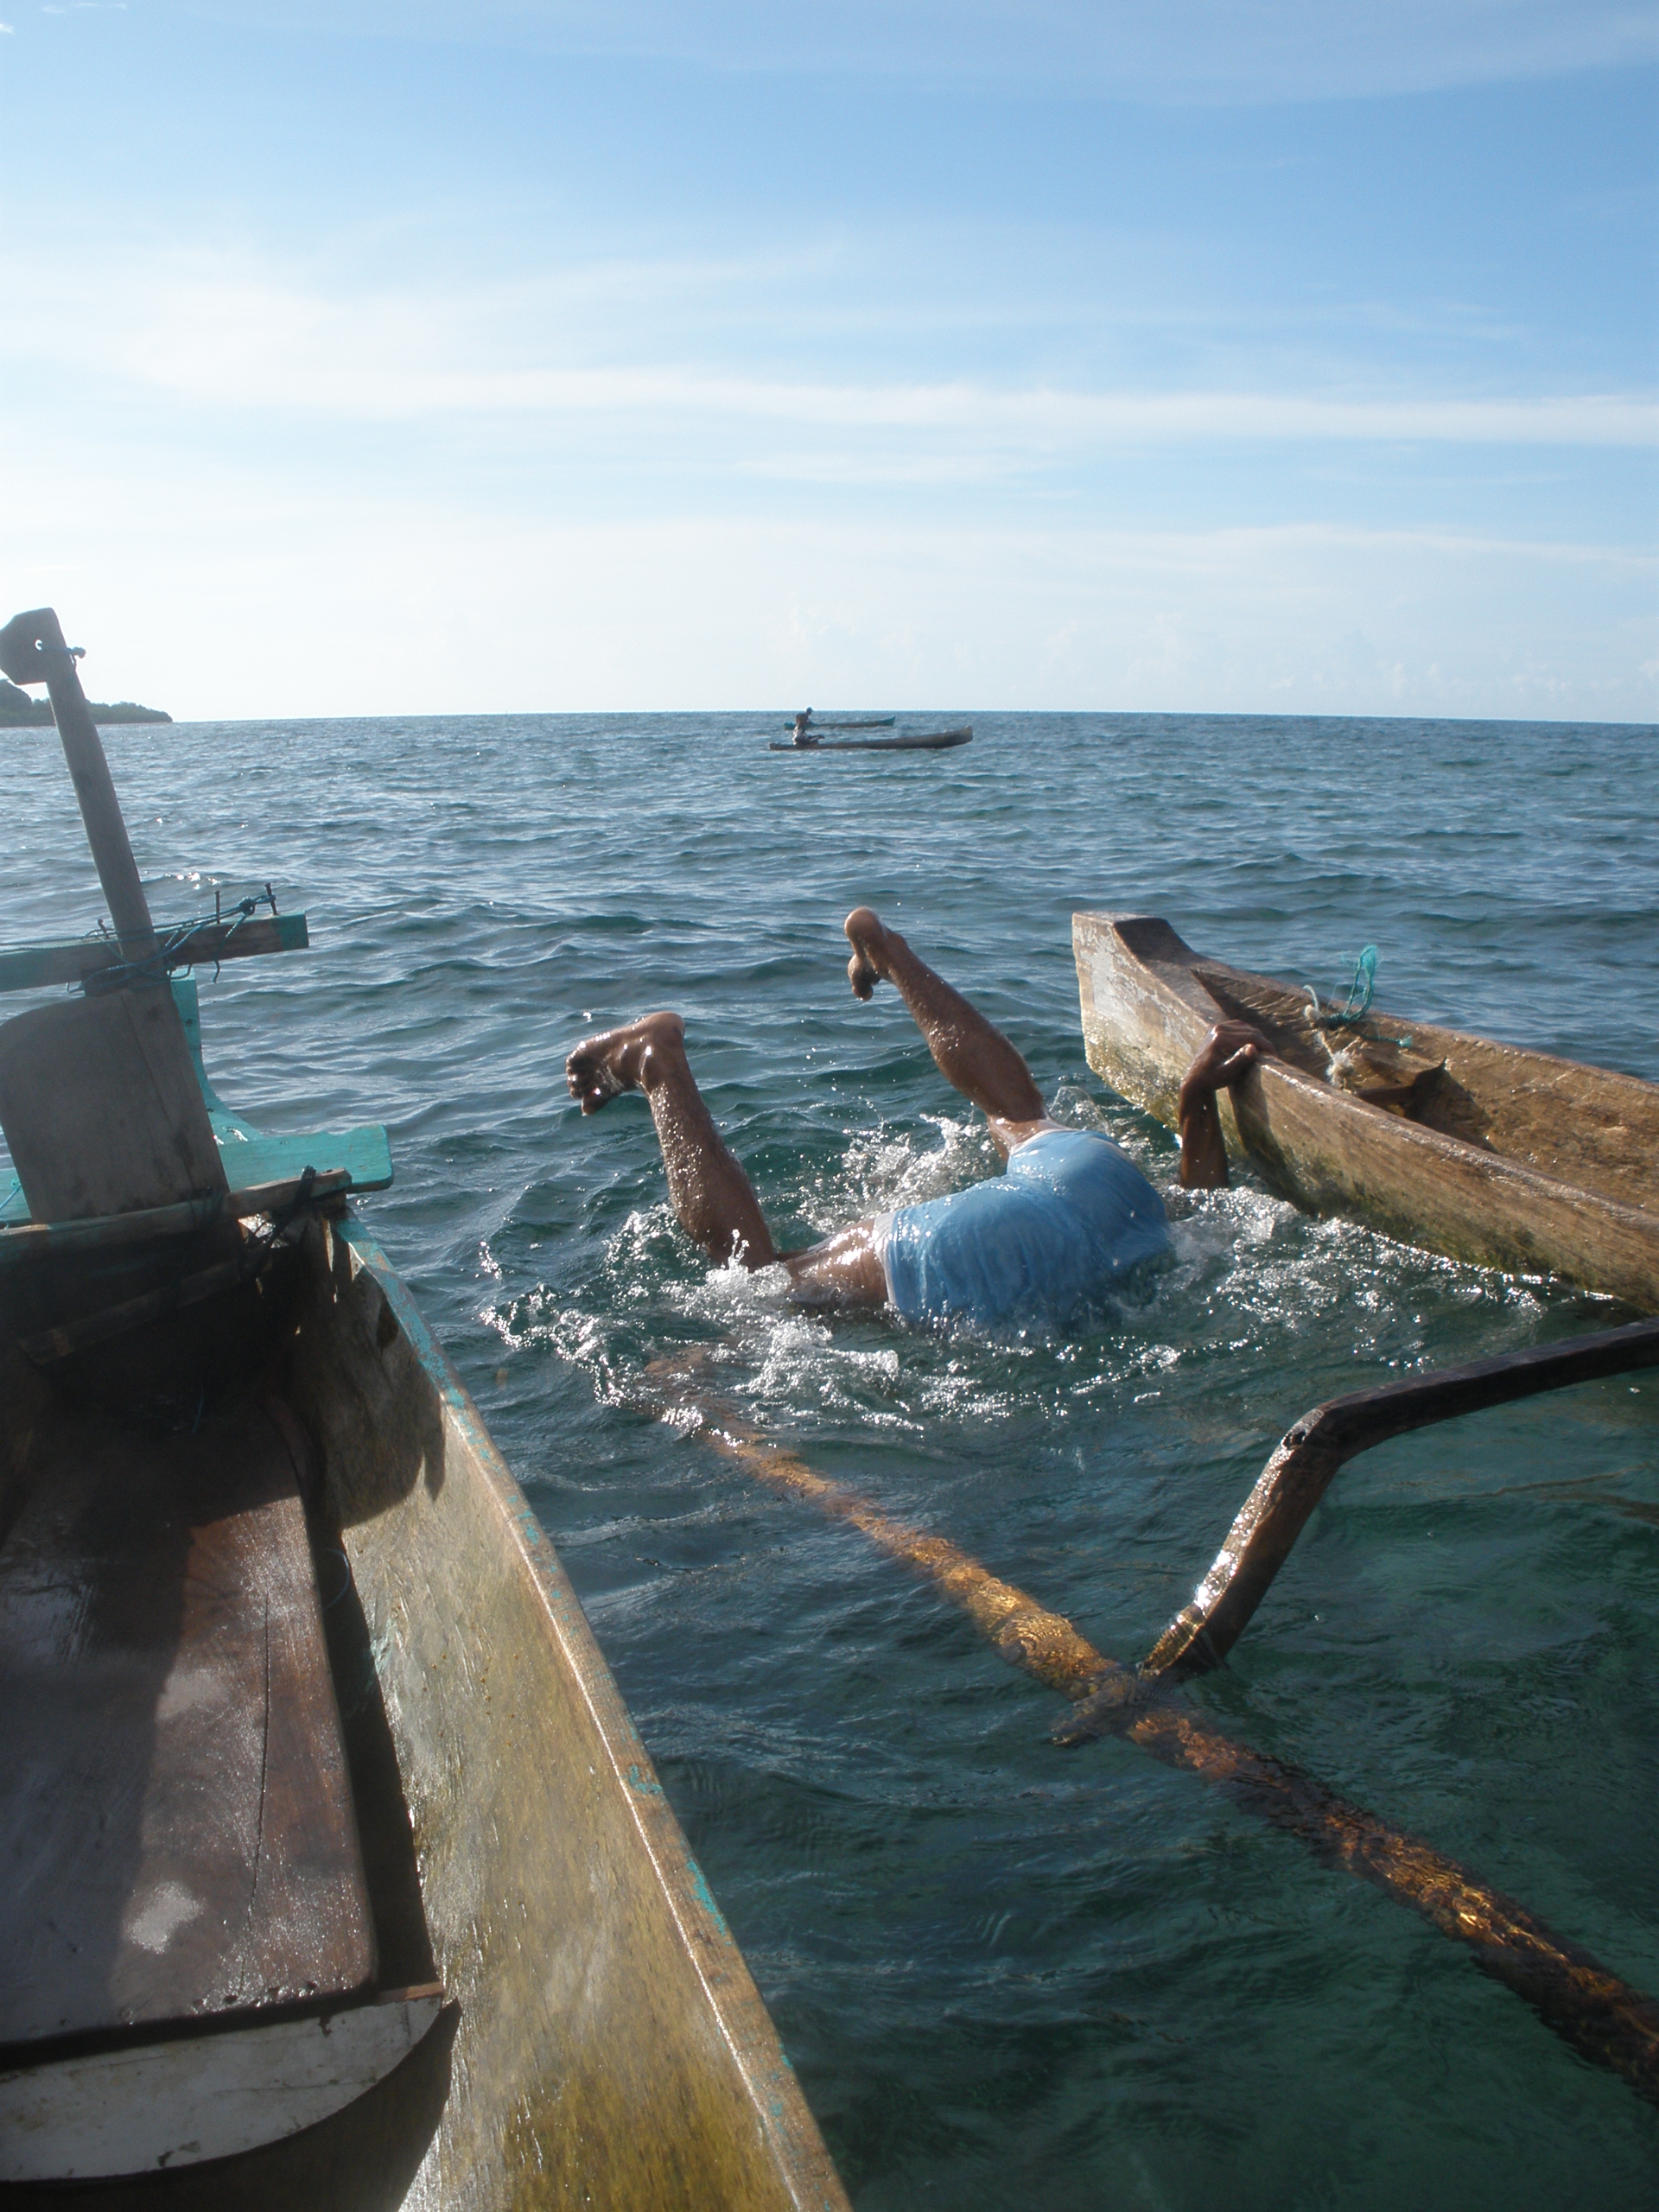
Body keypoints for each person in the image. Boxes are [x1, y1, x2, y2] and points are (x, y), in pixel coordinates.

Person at [565, 908, 1272, 1328]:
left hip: (1025, 1218)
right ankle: (879, 958)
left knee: (760, 1280)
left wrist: (1196, 1099)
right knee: (1017, 1115)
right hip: (1107, 1201)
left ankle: (665, 1059)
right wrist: (1196, 1098)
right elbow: (1204, 1211)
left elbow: (1202, 1204)